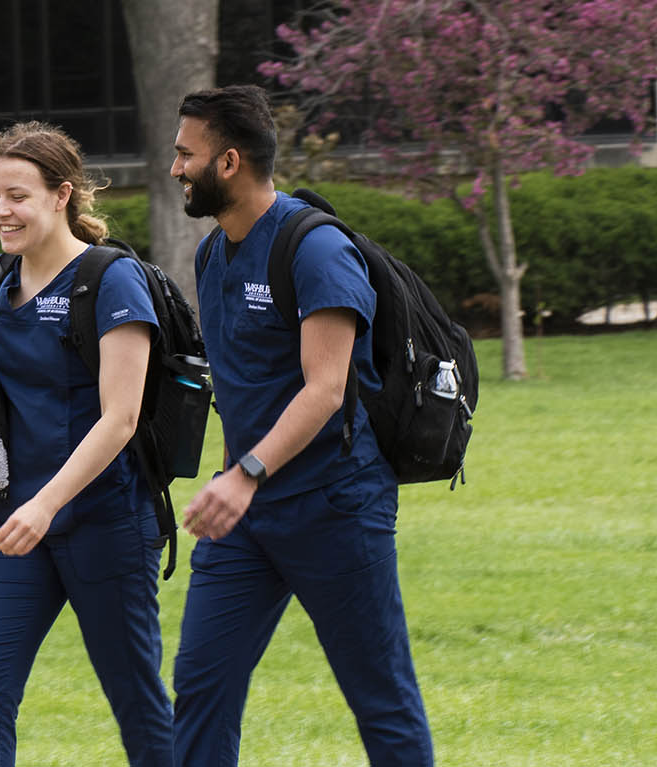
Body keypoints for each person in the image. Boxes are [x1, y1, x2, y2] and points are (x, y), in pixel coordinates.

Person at [167, 85, 434, 766]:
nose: (175, 168)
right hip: (247, 517)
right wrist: (236, 474)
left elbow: (326, 387)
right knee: (201, 682)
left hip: (334, 505)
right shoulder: (211, 256)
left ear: (227, 162)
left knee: (380, 695)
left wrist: (246, 474)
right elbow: (240, 383)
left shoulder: (314, 250)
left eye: (184, 154)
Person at [0, 121, 173, 767]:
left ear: (62, 194)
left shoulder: (113, 281)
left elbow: (120, 417)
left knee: (136, 700)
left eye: (17, 195)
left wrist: (46, 504)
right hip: (17, 521)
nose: (1, 210)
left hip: (104, 520)